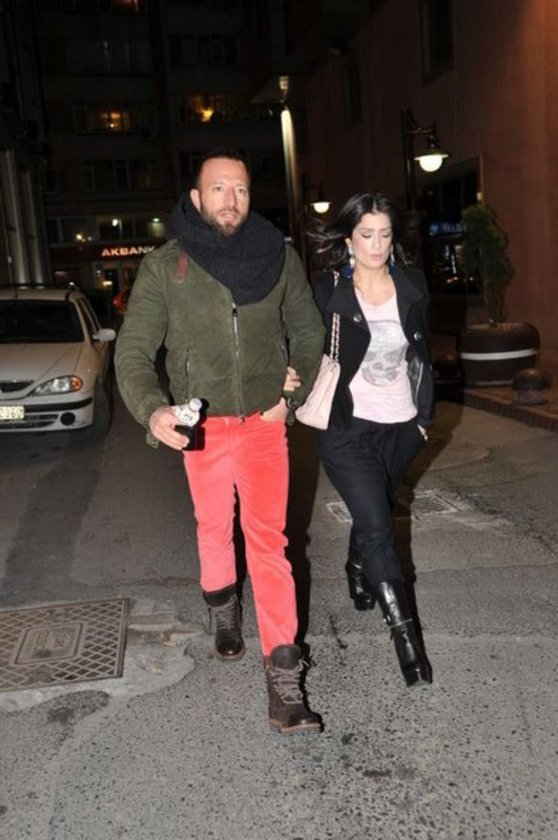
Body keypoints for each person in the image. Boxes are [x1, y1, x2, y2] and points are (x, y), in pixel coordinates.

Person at [115, 148, 325, 733]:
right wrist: (152, 410)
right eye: (218, 189)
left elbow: (308, 330)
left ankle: (284, 680)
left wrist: (292, 394)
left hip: (263, 421)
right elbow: (133, 349)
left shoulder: (278, 257)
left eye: (240, 189)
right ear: (196, 198)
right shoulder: (166, 266)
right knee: (213, 527)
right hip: (201, 426)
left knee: (269, 544)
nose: (230, 200)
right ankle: (223, 607)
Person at [309, 192, 434, 686]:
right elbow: (302, 343)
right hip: (347, 426)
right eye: (367, 235)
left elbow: (422, 354)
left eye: (385, 234)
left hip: (402, 426)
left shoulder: (413, 284)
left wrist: (422, 420)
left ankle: (357, 565)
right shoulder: (327, 290)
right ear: (348, 239)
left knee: (374, 511)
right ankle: (407, 642)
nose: (377, 245)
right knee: (380, 526)